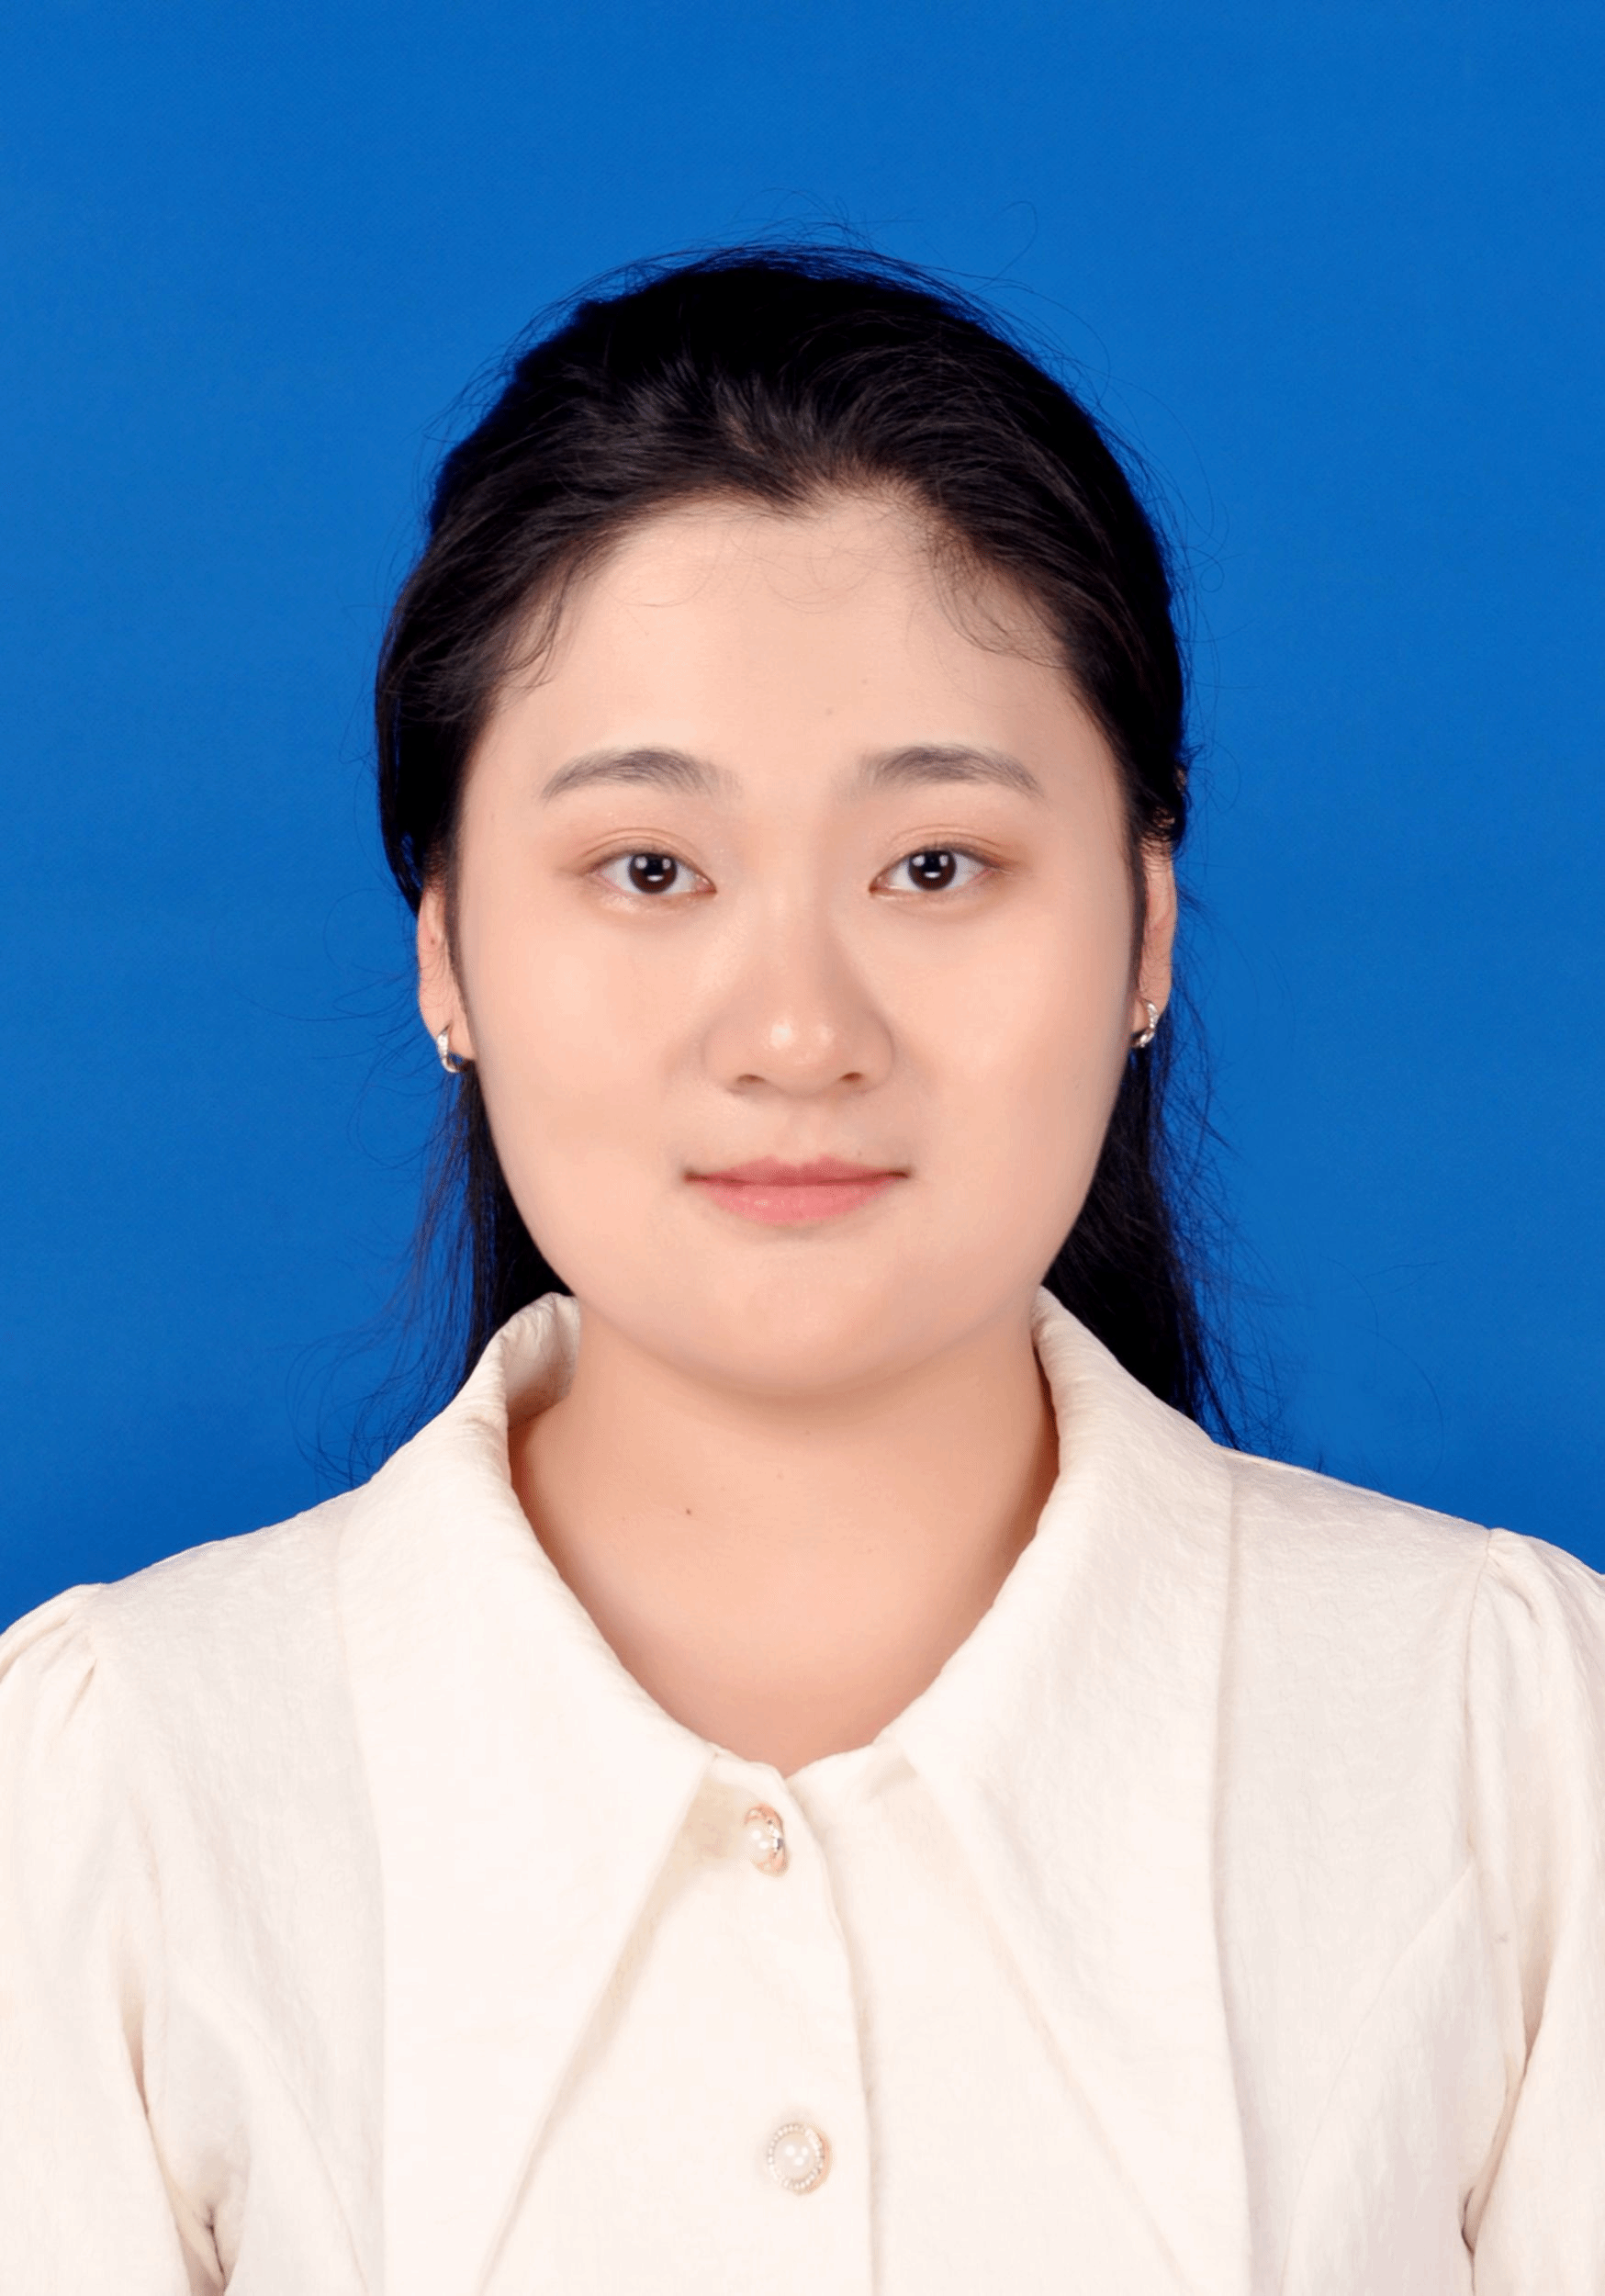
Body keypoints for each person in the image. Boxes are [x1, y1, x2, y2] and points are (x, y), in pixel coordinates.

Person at [1, 246, 1600, 2295]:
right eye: (648, 869)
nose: (794, 1029)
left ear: (1144, 929)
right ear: (446, 950)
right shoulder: (125, 1791)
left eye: (934, 865)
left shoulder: (1508, 1748)